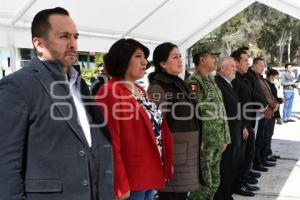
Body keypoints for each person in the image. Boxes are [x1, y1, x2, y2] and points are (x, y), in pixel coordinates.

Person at [0, 7, 113, 200]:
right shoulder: (17, 85)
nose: (72, 44)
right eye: (64, 36)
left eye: (75, 37)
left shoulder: (80, 83)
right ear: (39, 44)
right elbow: (6, 162)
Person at [95, 38, 173, 200]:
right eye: (138, 56)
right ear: (123, 59)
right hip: (130, 179)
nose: (145, 61)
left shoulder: (139, 89)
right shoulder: (109, 92)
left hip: (147, 173)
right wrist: (119, 183)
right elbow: (108, 143)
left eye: (145, 57)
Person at [147, 42, 204, 200]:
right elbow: (155, 128)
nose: (180, 60)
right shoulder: (159, 87)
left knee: (181, 196)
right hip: (173, 157)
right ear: (162, 63)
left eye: (180, 56)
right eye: (175, 57)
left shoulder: (180, 83)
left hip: (186, 155)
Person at [187, 51, 231, 200]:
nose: (216, 60)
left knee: (214, 182)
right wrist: (198, 140)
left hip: (216, 140)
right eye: (213, 57)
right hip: (205, 142)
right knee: (203, 183)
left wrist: (224, 137)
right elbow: (193, 114)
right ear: (202, 60)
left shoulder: (211, 79)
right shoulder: (194, 82)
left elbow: (220, 110)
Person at [213, 57, 243, 200]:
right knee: (225, 169)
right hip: (226, 136)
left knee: (231, 168)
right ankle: (222, 196)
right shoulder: (218, 83)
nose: (235, 69)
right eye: (232, 66)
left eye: (235, 66)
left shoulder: (228, 83)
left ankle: (227, 195)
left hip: (234, 134)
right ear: (222, 68)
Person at [265, 69, 283, 161]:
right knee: (267, 135)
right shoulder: (268, 84)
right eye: (276, 76)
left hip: (273, 111)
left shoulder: (270, 84)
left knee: (269, 134)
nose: (277, 78)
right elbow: (271, 98)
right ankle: (266, 154)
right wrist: (279, 100)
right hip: (269, 112)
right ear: (272, 76)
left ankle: (269, 152)